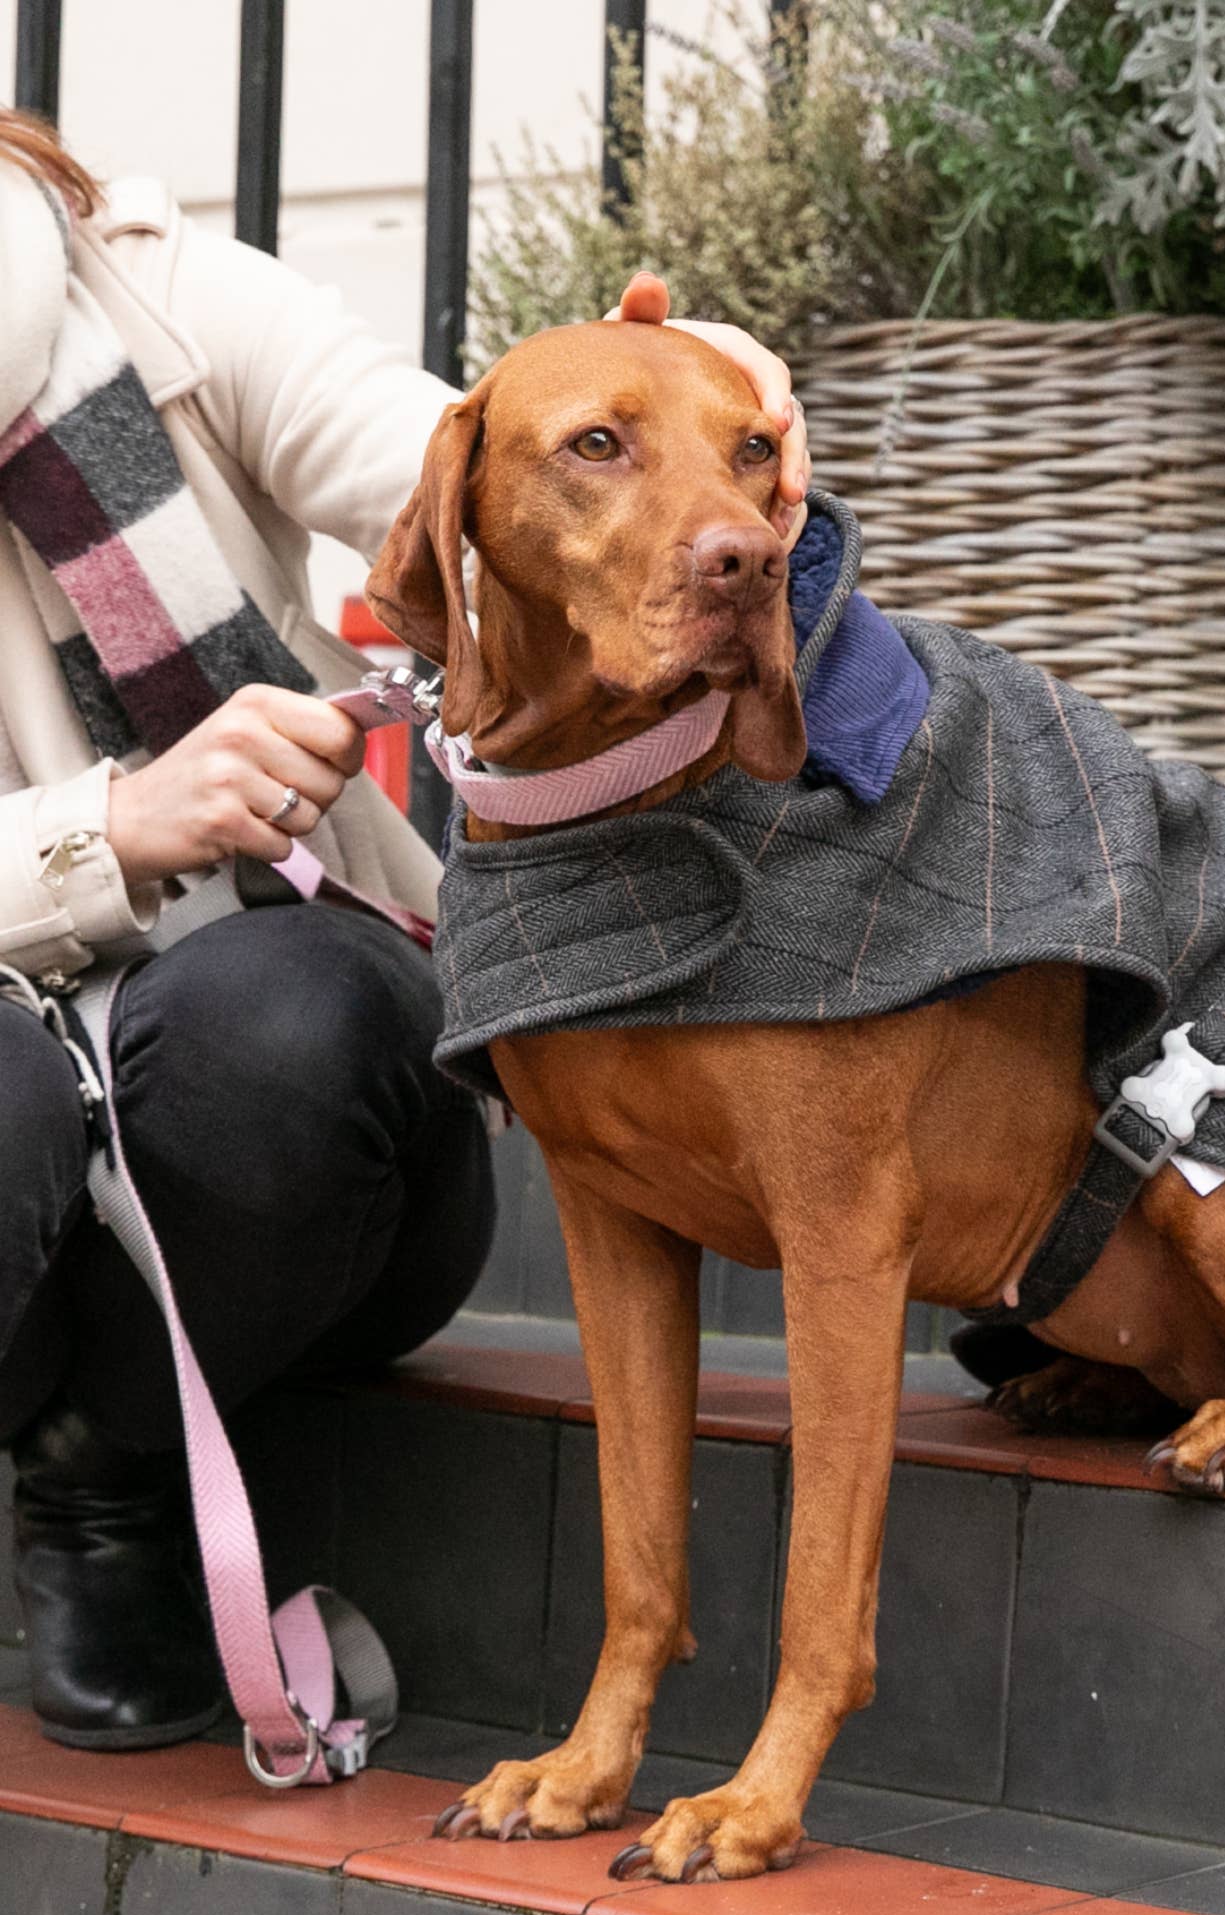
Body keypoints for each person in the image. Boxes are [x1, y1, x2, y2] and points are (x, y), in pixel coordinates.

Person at [0, 112, 810, 1750]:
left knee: (284, 1025)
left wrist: (673, 403)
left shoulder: (154, 300)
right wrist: (108, 830)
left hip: (310, 1164)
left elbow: (466, 462)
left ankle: (112, 1486)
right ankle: (82, 1492)